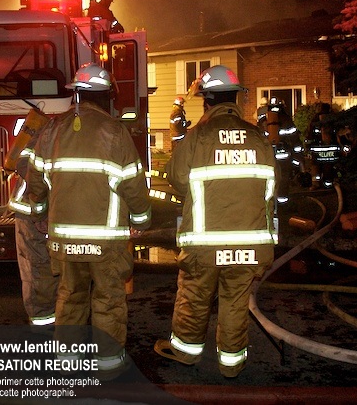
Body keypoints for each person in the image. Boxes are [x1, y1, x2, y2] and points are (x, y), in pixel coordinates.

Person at [22, 63, 152, 378]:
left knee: (70, 296)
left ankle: (67, 363)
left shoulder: (52, 130)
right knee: (109, 299)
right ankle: (108, 367)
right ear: (106, 96)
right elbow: (133, 184)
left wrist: (40, 214)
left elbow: (35, 181)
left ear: (76, 94)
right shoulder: (116, 131)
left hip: (64, 241)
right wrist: (141, 220)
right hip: (106, 242)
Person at [154, 64, 277, 379]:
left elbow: (176, 178)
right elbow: (273, 187)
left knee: (194, 296)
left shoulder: (199, 135)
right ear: (235, 98)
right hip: (251, 244)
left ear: (207, 100)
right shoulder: (258, 137)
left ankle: (186, 352)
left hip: (205, 245)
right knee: (235, 301)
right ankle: (231, 364)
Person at [7, 114, 59, 327]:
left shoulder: (58, 132)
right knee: (38, 268)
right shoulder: (53, 135)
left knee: (45, 268)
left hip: (42, 213)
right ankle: (43, 324)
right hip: (30, 214)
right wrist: (42, 213)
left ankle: (50, 321)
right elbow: (26, 166)